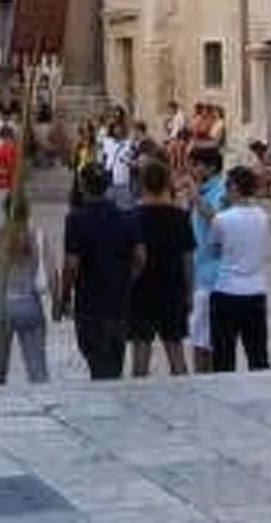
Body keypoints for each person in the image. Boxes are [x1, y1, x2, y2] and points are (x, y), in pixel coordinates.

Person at [58, 163, 145, 380]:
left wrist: (65, 295)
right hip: (119, 303)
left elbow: (72, 264)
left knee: (97, 366)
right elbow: (141, 257)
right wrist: (127, 279)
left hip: (90, 303)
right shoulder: (127, 216)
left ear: (82, 185)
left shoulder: (76, 219)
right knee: (114, 365)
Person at [0, 191, 52, 385]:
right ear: (28, 211)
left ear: (5, 210)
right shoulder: (38, 235)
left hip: (1, 303)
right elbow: (53, 276)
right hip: (29, 302)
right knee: (38, 372)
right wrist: (58, 303)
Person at [129, 158, 195, 377]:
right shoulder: (181, 217)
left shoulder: (132, 216)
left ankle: (139, 404)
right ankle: (184, 399)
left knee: (140, 352)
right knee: (176, 352)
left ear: (142, 183)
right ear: (167, 183)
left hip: (140, 290)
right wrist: (190, 293)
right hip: (173, 289)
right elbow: (187, 259)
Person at [207, 166, 271, 373]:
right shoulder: (262, 216)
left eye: (227, 185)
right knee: (258, 354)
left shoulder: (222, 219)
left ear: (234, 187)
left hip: (226, 290)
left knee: (223, 357)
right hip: (256, 291)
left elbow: (214, 249)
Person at [186, 144, 227, 373]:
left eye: (196, 164)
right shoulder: (201, 190)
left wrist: (196, 198)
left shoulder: (220, 190)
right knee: (198, 338)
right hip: (197, 271)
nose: (192, 169)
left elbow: (218, 222)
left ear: (211, 167)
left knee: (206, 339)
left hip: (212, 275)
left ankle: (207, 377)